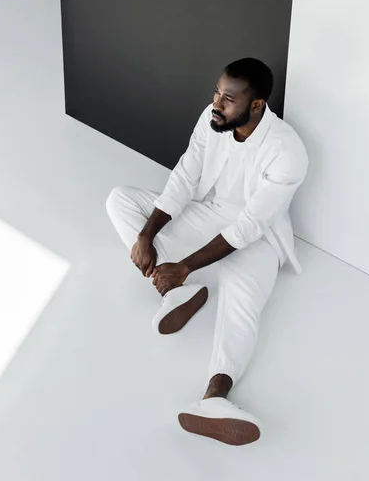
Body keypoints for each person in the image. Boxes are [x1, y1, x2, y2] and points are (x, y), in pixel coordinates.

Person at [106, 57, 308, 446]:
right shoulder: (212, 119)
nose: (217, 103)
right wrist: (148, 234)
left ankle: (216, 398)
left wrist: (183, 265)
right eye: (217, 92)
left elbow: (249, 225)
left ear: (257, 105)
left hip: (259, 237)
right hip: (208, 213)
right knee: (120, 200)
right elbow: (186, 174)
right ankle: (176, 293)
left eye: (229, 99)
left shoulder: (288, 152)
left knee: (241, 301)